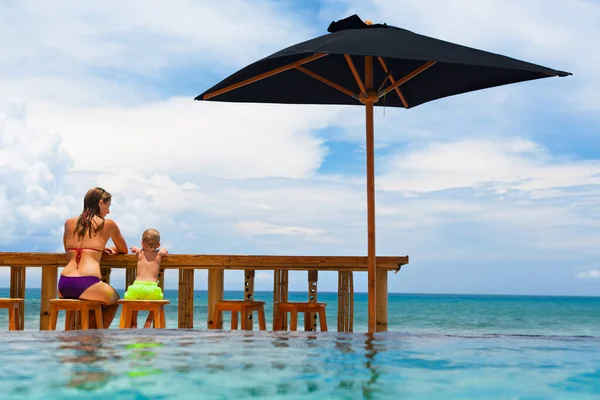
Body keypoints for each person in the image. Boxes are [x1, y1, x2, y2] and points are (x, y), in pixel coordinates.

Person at [59, 187, 128, 329]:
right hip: (87, 282)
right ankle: (95, 337)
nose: (108, 212)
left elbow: (68, 251)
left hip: (64, 284)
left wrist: (94, 250)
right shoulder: (108, 224)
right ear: (101, 202)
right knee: (114, 300)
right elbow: (123, 249)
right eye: (108, 206)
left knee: (93, 301)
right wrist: (103, 250)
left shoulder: (69, 223)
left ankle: (86, 337)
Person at [124, 228, 168, 328]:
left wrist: (135, 248)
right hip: (152, 288)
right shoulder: (159, 254)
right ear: (158, 245)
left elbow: (136, 249)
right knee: (158, 302)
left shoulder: (140, 253)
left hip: (136, 287)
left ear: (142, 243)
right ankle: (148, 321)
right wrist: (163, 250)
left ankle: (134, 323)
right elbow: (164, 252)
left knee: (133, 303)